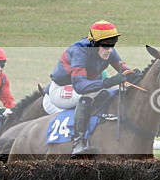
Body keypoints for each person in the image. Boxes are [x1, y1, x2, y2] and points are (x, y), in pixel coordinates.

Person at [43, 20, 139, 156]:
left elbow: (123, 69)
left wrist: (134, 75)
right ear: (94, 43)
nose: (110, 50)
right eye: (106, 46)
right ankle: (78, 142)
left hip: (87, 86)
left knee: (113, 92)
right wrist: (108, 82)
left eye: (113, 45)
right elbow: (80, 86)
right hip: (62, 89)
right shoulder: (80, 51)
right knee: (89, 95)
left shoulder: (107, 49)